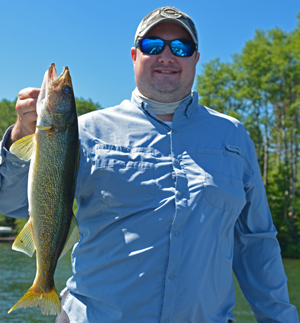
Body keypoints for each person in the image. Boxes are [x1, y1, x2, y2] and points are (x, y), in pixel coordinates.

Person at [0, 6, 299, 323]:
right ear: (134, 55)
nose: (167, 56)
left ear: (195, 59)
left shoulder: (234, 136)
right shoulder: (83, 130)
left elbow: (257, 245)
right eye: (153, 45)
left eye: (181, 47)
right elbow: (13, 202)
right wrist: (22, 133)